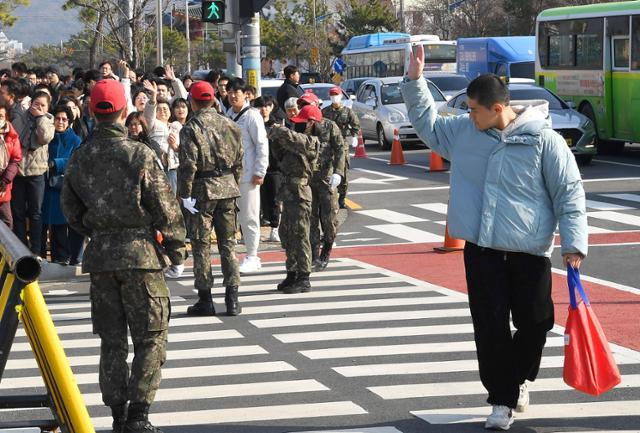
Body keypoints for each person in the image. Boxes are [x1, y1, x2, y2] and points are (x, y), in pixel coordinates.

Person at [400, 46, 588, 431]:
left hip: (529, 252)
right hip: (482, 252)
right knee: (490, 328)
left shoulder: (544, 142)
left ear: (498, 109)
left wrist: (573, 243)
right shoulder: (465, 133)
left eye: (474, 109)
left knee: (536, 323)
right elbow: (428, 125)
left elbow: (569, 192)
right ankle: (502, 399)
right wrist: (415, 81)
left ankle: (517, 379)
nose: (468, 115)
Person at [61, 79, 186, 433]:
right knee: (150, 337)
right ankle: (139, 414)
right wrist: (176, 247)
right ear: (122, 109)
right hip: (141, 257)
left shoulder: (79, 157)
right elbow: (165, 207)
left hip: (100, 258)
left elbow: (70, 211)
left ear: (91, 111)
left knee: (112, 340)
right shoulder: (139, 154)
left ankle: (117, 413)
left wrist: (95, 230)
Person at [178, 81, 243, 316]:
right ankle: (232, 298)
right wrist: (232, 182)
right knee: (228, 244)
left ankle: (205, 299)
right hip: (227, 188)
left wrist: (184, 195)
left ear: (193, 102)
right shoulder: (230, 124)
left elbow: (188, 166)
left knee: (201, 245)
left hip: (202, 190)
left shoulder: (191, 128)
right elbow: (239, 161)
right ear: (214, 100)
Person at [267, 112, 319, 294]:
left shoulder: (311, 141)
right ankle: (292, 271)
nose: (296, 126)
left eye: (301, 123)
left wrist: (278, 130)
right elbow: (278, 155)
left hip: (300, 192)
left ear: (311, 123)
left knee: (300, 234)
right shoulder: (292, 141)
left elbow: (294, 139)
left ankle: (304, 276)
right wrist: (274, 137)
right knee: (287, 234)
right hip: (288, 191)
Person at [225, 78, 268, 274]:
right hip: (231, 175)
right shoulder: (228, 114)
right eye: (230, 91)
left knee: (249, 216)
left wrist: (260, 171)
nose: (233, 95)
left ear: (246, 95)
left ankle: (252, 255)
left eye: (237, 92)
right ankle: (241, 254)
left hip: (248, 174)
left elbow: (261, 144)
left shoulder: (252, 116)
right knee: (235, 217)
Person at [299, 103, 344, 272]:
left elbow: (340, 149)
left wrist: (338, 172)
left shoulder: (330, 126)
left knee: (329, 217)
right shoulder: (299, 127)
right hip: (308, 180)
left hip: (327, 179)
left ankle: (327, 250)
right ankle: (314, 254)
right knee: (310, 218)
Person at [11, 91, 55, 255]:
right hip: (19, 172)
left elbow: (44, 138)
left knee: (36, 213)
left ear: (48, 107)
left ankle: (36, 251)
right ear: (31, 103)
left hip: (37, 173)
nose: (39, 107)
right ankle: (21, 248)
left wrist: (40, 118)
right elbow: (15, 135)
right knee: (18, 212)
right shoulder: (20, 117)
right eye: (36, 104)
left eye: (43, 105)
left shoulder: (48, 120)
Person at [42, 105, 83, 265]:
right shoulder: (48, 137)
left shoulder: (75, 140)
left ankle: (63, 255)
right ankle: (47, 254)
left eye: (64, 119)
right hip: (46, 184)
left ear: (69, 122)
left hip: (65, 186)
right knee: (46, 221)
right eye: (57, 118)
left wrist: (55, 163)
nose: (60, 122)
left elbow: (76, 161)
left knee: (62, 223)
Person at [322, 86, 360, 209]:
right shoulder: (325, 111)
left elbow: (355, 125)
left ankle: (342, 198)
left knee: (342, 172)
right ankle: (329, 196)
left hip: (342, 145)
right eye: (332, 96)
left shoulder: (347, 111)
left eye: (336, 95)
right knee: (327, 172)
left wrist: (353, 137)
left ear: (341, 96)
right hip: (328, 146)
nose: (334, 98)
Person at [143, 80, 180, 194]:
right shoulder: (153, 124)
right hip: (157, 167)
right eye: (159, 109)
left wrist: (176, 147)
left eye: (165, 109)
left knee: (173, 198)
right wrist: (153, 97)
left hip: (173, 168)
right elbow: (149, 114)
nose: (163, 111)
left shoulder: (177, 126)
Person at [253, 96, 281, 242]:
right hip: (256, 168)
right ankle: (254, 231)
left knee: (275, 200)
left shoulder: (276, 125)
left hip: (274, 169)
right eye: (261, 106)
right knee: (256, 201)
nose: (264, 109)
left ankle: (275, 229)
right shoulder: (253, 124)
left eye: (267, 106)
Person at [0, 105, 22, 229]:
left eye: (1, 116)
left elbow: (15, 160)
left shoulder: (12, 136)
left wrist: (5, 180)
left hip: (3, 184)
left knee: (7, 221)